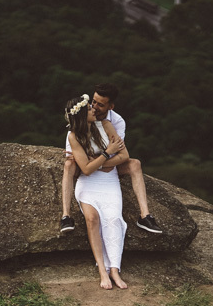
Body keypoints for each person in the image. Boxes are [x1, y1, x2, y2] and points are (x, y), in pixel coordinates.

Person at [59, 83, 163, 235]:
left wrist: (98, 163)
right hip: (86, 165)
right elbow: (72, 154)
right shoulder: (82, 114)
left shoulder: (117, 122)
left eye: (100, 105)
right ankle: (66, 216)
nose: (94, 107)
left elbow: (121, 154)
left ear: (111, 106)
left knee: (135, 164)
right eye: (93, 101)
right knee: (69, 164)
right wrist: (91, 162)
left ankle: (145, 216)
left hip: (107, 164)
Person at [64, 93, 131, 289]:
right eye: (90, 109)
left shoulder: (107, 126)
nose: (94, 109)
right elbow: (85, 169)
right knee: (92, 219)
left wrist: (98, 163)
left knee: (113, 220)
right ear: (82, 115)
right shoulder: (74, 136)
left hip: (109, 182)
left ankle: (114, 271)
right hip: (88, 184)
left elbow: (125, 155)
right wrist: (107, 153)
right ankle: (102, 270)